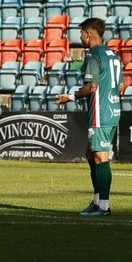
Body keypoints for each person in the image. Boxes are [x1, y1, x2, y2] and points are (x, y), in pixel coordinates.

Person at [55, 18, 124, 217]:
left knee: (100, 157)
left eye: (81, 33)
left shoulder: (94, 55)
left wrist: (70, 96)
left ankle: (104, 206)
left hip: (100, 113)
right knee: (90, 153)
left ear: (88, 33)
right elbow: (121, 86)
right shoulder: (114, 55)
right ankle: (96, 201)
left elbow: (91, 87)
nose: (80, 37)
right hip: (113, 110)